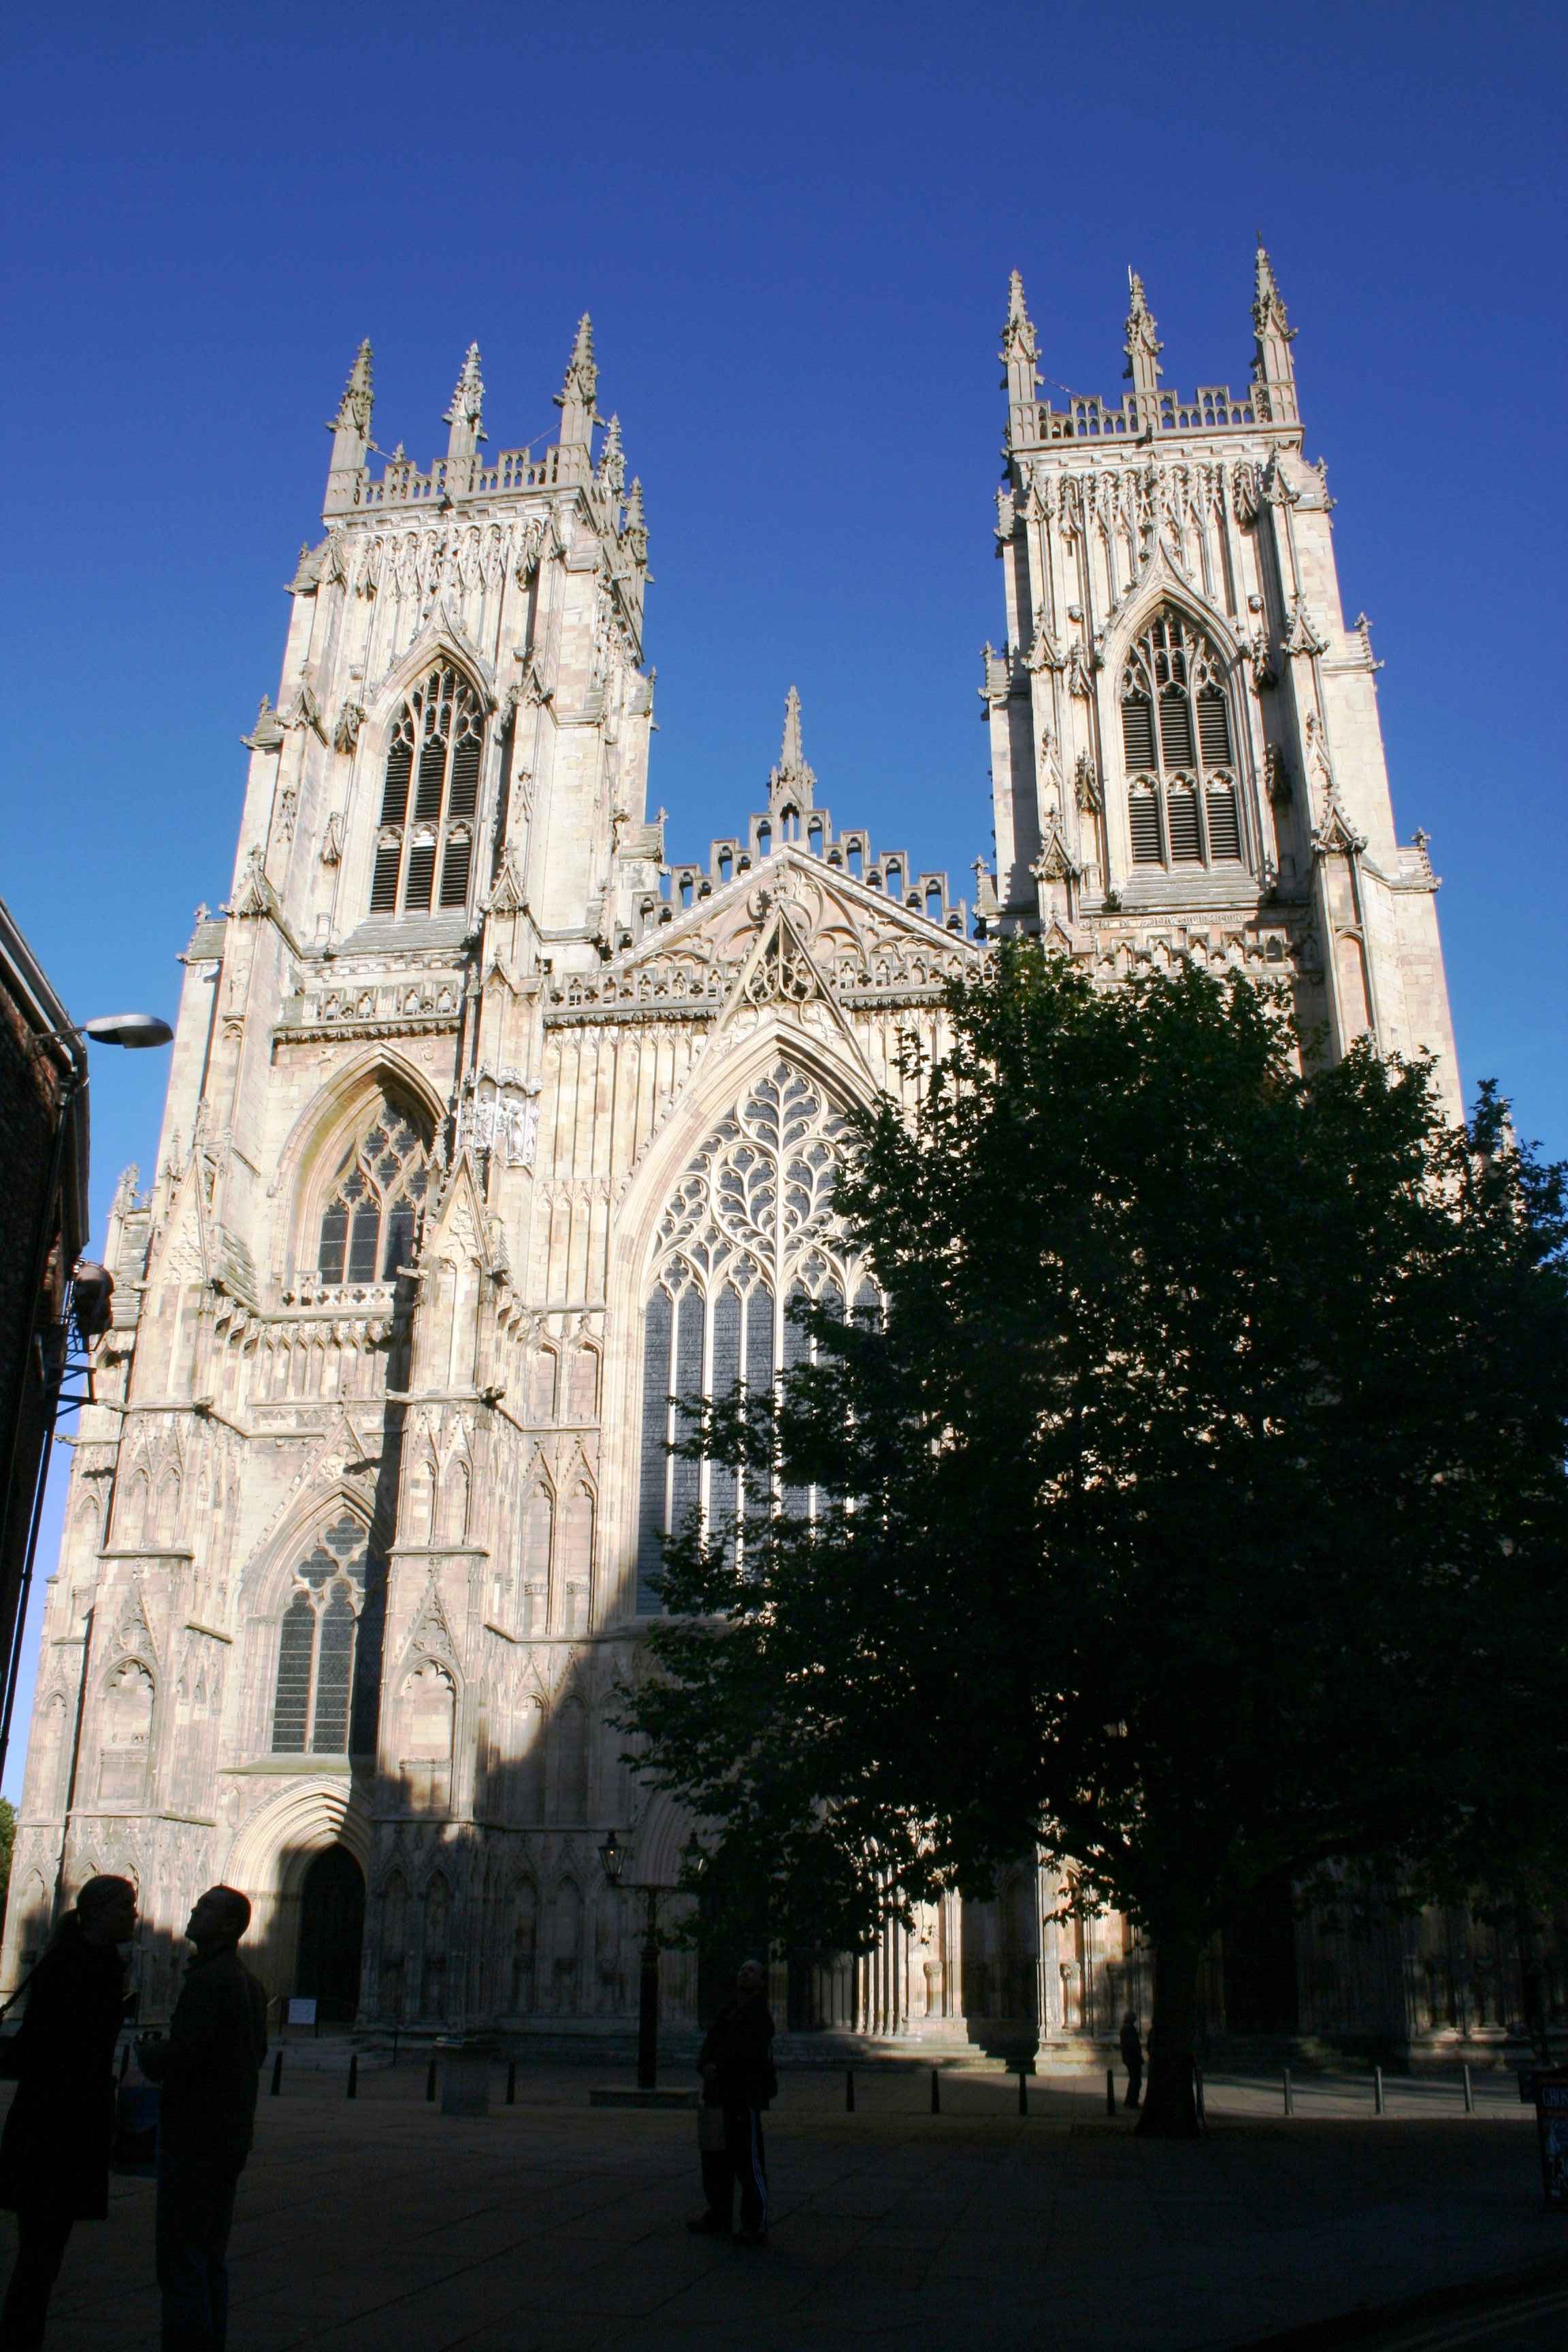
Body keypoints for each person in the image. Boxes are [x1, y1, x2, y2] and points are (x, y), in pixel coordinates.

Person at [0, 1874, 137, 2350]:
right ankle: (20, 2337)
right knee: (40, 2252)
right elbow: (51, 2046)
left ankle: (21, 2333)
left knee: (41, 2251)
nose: (135, 1916)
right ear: (98, 1914)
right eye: (126, 1908)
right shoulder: (84, 1966)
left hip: (56, 2118)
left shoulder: (81, 1960)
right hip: (57, 2124)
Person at [138, 1886, 267, 2352]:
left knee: (182, 2258)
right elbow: (256, 2054)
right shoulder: (250, 1983)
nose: (193, 1911)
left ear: (232, 1926)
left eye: (205, 1908)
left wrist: (153, 2057)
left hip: (195, 2136)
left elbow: (187, 2057)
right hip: (229, 2136)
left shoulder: (212, 1981)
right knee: (209, 2255)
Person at [688, 1959, 777, 2245]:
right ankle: (719, 2213)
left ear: (763, 1982)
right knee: (716, 2158)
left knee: (748, 2162)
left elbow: (747, 2054)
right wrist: (704, 2065)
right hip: (720, 2095)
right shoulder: (730, 2009)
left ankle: (755, 2224)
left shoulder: (759, 2015)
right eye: (742, 1968)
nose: (744, 1971)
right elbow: (713, 2041)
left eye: (752, 1970)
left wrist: (720, 2068)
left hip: (743, 2096)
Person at [1119, 2009, 1143, 2111]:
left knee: (1133, 2080)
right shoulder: (1129, 2029)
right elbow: (1133, 2045)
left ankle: (1129, 2100)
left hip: (1129, 2058)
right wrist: (1139, 2056)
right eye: (1134, 2017)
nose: (1136, 2019)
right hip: (1133, 2058)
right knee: (1136, 2081)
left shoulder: (1125, 2028)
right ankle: (1133, 2101)